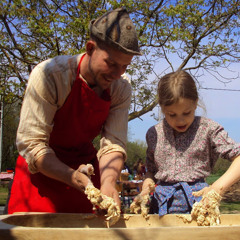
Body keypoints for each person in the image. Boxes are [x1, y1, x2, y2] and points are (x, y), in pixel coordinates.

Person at [7, 7, 141, 214]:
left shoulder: (121, 87)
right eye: (111, 63)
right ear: (90, 48)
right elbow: (32, 143)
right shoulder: (50, 75)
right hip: (40, 175)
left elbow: (113, 143)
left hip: (85, 173)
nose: (117, 74)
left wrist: (107, 183)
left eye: (124, 66)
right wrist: (71, 176)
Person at [134, 70, 240, 216]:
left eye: (186, 113)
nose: (180, 121)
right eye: (172, 115)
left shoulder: (208, 129)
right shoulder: (154, 133)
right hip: (161, 208)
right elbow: (151, 171)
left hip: (200, 205)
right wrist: (146, 188)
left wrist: (216, 189)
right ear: (162, 108)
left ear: (195, 103)